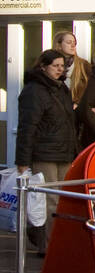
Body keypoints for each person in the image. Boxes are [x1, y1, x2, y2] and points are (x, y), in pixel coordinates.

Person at [15, 49, 78, 254]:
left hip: (64, 151)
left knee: (62, 201)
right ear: (43, 66)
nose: (60, 70)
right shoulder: (34, 90)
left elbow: (69, 122)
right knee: (48, 202)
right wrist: (22, 160)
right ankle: (48, 245)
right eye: (56, 66)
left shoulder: (62, 88)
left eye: (62, 66)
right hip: (44, 153)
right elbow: (27, 126)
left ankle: (56, 242)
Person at [53, 31, 91, 107]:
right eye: (69, 42)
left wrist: (78, 103)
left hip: (77, 111)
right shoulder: (50, 65)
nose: (73, 45)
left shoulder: (83, 65)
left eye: (74, 43)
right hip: (57, 109)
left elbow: (91, 89)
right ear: (59, 45)